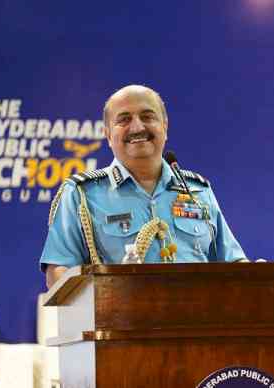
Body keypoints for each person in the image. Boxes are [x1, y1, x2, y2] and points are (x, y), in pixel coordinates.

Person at [40, 84, 246, 288]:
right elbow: (59, 271)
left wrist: (254, 273)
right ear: (108, 134)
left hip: (198, 317)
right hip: (119, 319)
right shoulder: (81, 194)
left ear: (165, 127)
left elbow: (233, 262)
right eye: (124, 119)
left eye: (148, 117)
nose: (137, 127)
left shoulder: (198, 191)